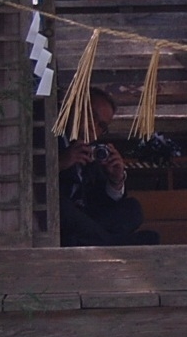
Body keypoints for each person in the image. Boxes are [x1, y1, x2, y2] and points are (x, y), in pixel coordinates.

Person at [58, 89, 159, 247]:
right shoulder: (51, 140)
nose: (93, 127)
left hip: (88, 223)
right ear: (76, 109)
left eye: (101, 126)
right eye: (92, 116)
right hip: (60, 222)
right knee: (61, 206)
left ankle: (102, 242)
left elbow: (103, 203)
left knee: (133, 208)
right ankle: (110, 243)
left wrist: (115, 180)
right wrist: (60, 163)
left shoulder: (94, 153)